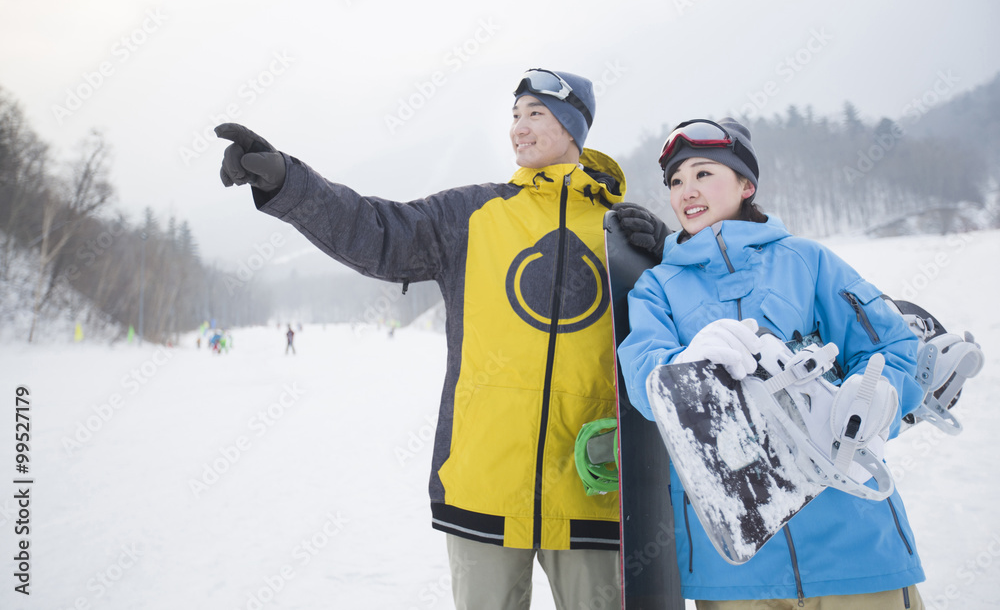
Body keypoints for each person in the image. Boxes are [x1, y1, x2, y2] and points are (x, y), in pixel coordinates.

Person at [215, 69, 663, 609]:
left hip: (595, 486)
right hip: (484, 483)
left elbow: (685, 338)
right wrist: (287, 182)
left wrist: (668, 252)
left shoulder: (622, 231)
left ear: (573, 126)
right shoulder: (472, 215)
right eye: (515, 115)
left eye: (535, 114)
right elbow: (376, 230)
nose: (519, 128)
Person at [617, 118, 926, 609]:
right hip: (736, 565)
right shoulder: (659, 288)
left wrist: (879, 394)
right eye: (675, 182)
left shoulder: (806, 260)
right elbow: (643, 379)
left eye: (703, 174)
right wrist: (686, 366)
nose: (686, 191)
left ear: (746, 184)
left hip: (853, 543)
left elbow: (893, 346)